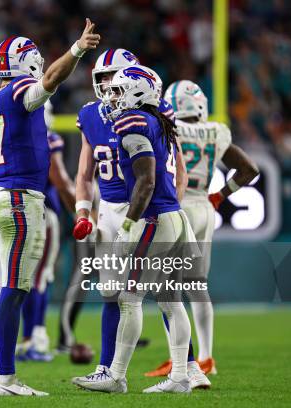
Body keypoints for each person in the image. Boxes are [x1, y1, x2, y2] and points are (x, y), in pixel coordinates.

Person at [0, 19, 100, 397]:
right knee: (14, 290)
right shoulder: (20, 93)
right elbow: (51, 81)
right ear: (25, 63)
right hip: (20, 200)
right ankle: (6, 380)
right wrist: (76, 50)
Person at [75, 65, 197, 394]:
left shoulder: (134, 120)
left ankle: (116, 375)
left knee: (129, 298)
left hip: (153, 219)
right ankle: (182, 376)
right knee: (171, 300)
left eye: (119, 90)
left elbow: (146, 181)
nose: (112, 96)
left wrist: (129, 224)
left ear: (137, 92)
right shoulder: (158, 117)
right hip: (172, 216)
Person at [144, 80, 259, 377]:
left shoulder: (167, 126)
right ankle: (206, 357)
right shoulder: (216, 131)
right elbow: (250, 169)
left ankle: (179, 359)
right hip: (205, 209)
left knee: (166, 287)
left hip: (177, 206)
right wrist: (221, 195)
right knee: (197, 286)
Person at [18, 100, 75, 362]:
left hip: (14, 209)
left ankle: (30, 338)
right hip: (43, 212)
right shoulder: (49, 139)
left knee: (20, 279)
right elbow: (60, 181)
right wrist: (82, 211)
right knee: (38, 279)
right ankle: (34, 339)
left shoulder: (13, 133)